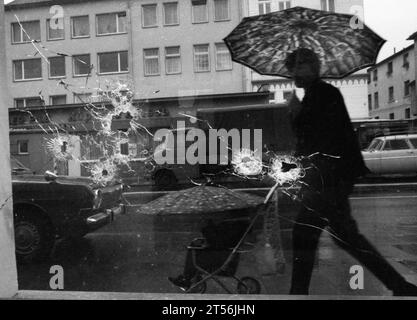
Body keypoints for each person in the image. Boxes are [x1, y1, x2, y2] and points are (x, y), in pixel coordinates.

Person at [285, 48, 417, 296]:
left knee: (305, 234)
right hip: (329, 179)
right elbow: (313, 139)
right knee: (344, 236)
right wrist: (298, 116)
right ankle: (400, 286)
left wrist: (297, 116)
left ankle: (297, 293)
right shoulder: (315, 95)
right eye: (291, 67)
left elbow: (320, 139)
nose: (293, 72)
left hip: (329, 180)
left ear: (312, 67)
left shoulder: (324, 94)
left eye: (298, 66)